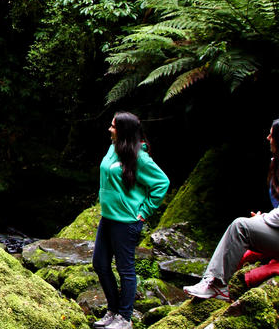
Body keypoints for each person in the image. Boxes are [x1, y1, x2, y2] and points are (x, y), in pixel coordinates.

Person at [183, 118, 279, 301]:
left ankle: (217, 284)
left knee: (240, 227)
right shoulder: (276, 163)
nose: (267, 138)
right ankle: (212, 281)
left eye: (272, 135)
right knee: (243, 227)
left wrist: (263, 219)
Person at [92, 112, 170, 329]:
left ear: (124, 131)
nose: (110, 129)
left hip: (126, 221)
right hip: (108, 217)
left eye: (113, 127)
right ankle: (113, 310)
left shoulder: (140, 158)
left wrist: (144, 211)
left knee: (125, 269)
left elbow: (161, 183)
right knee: (99, 263)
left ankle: (125, 318)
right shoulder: (113, 148)